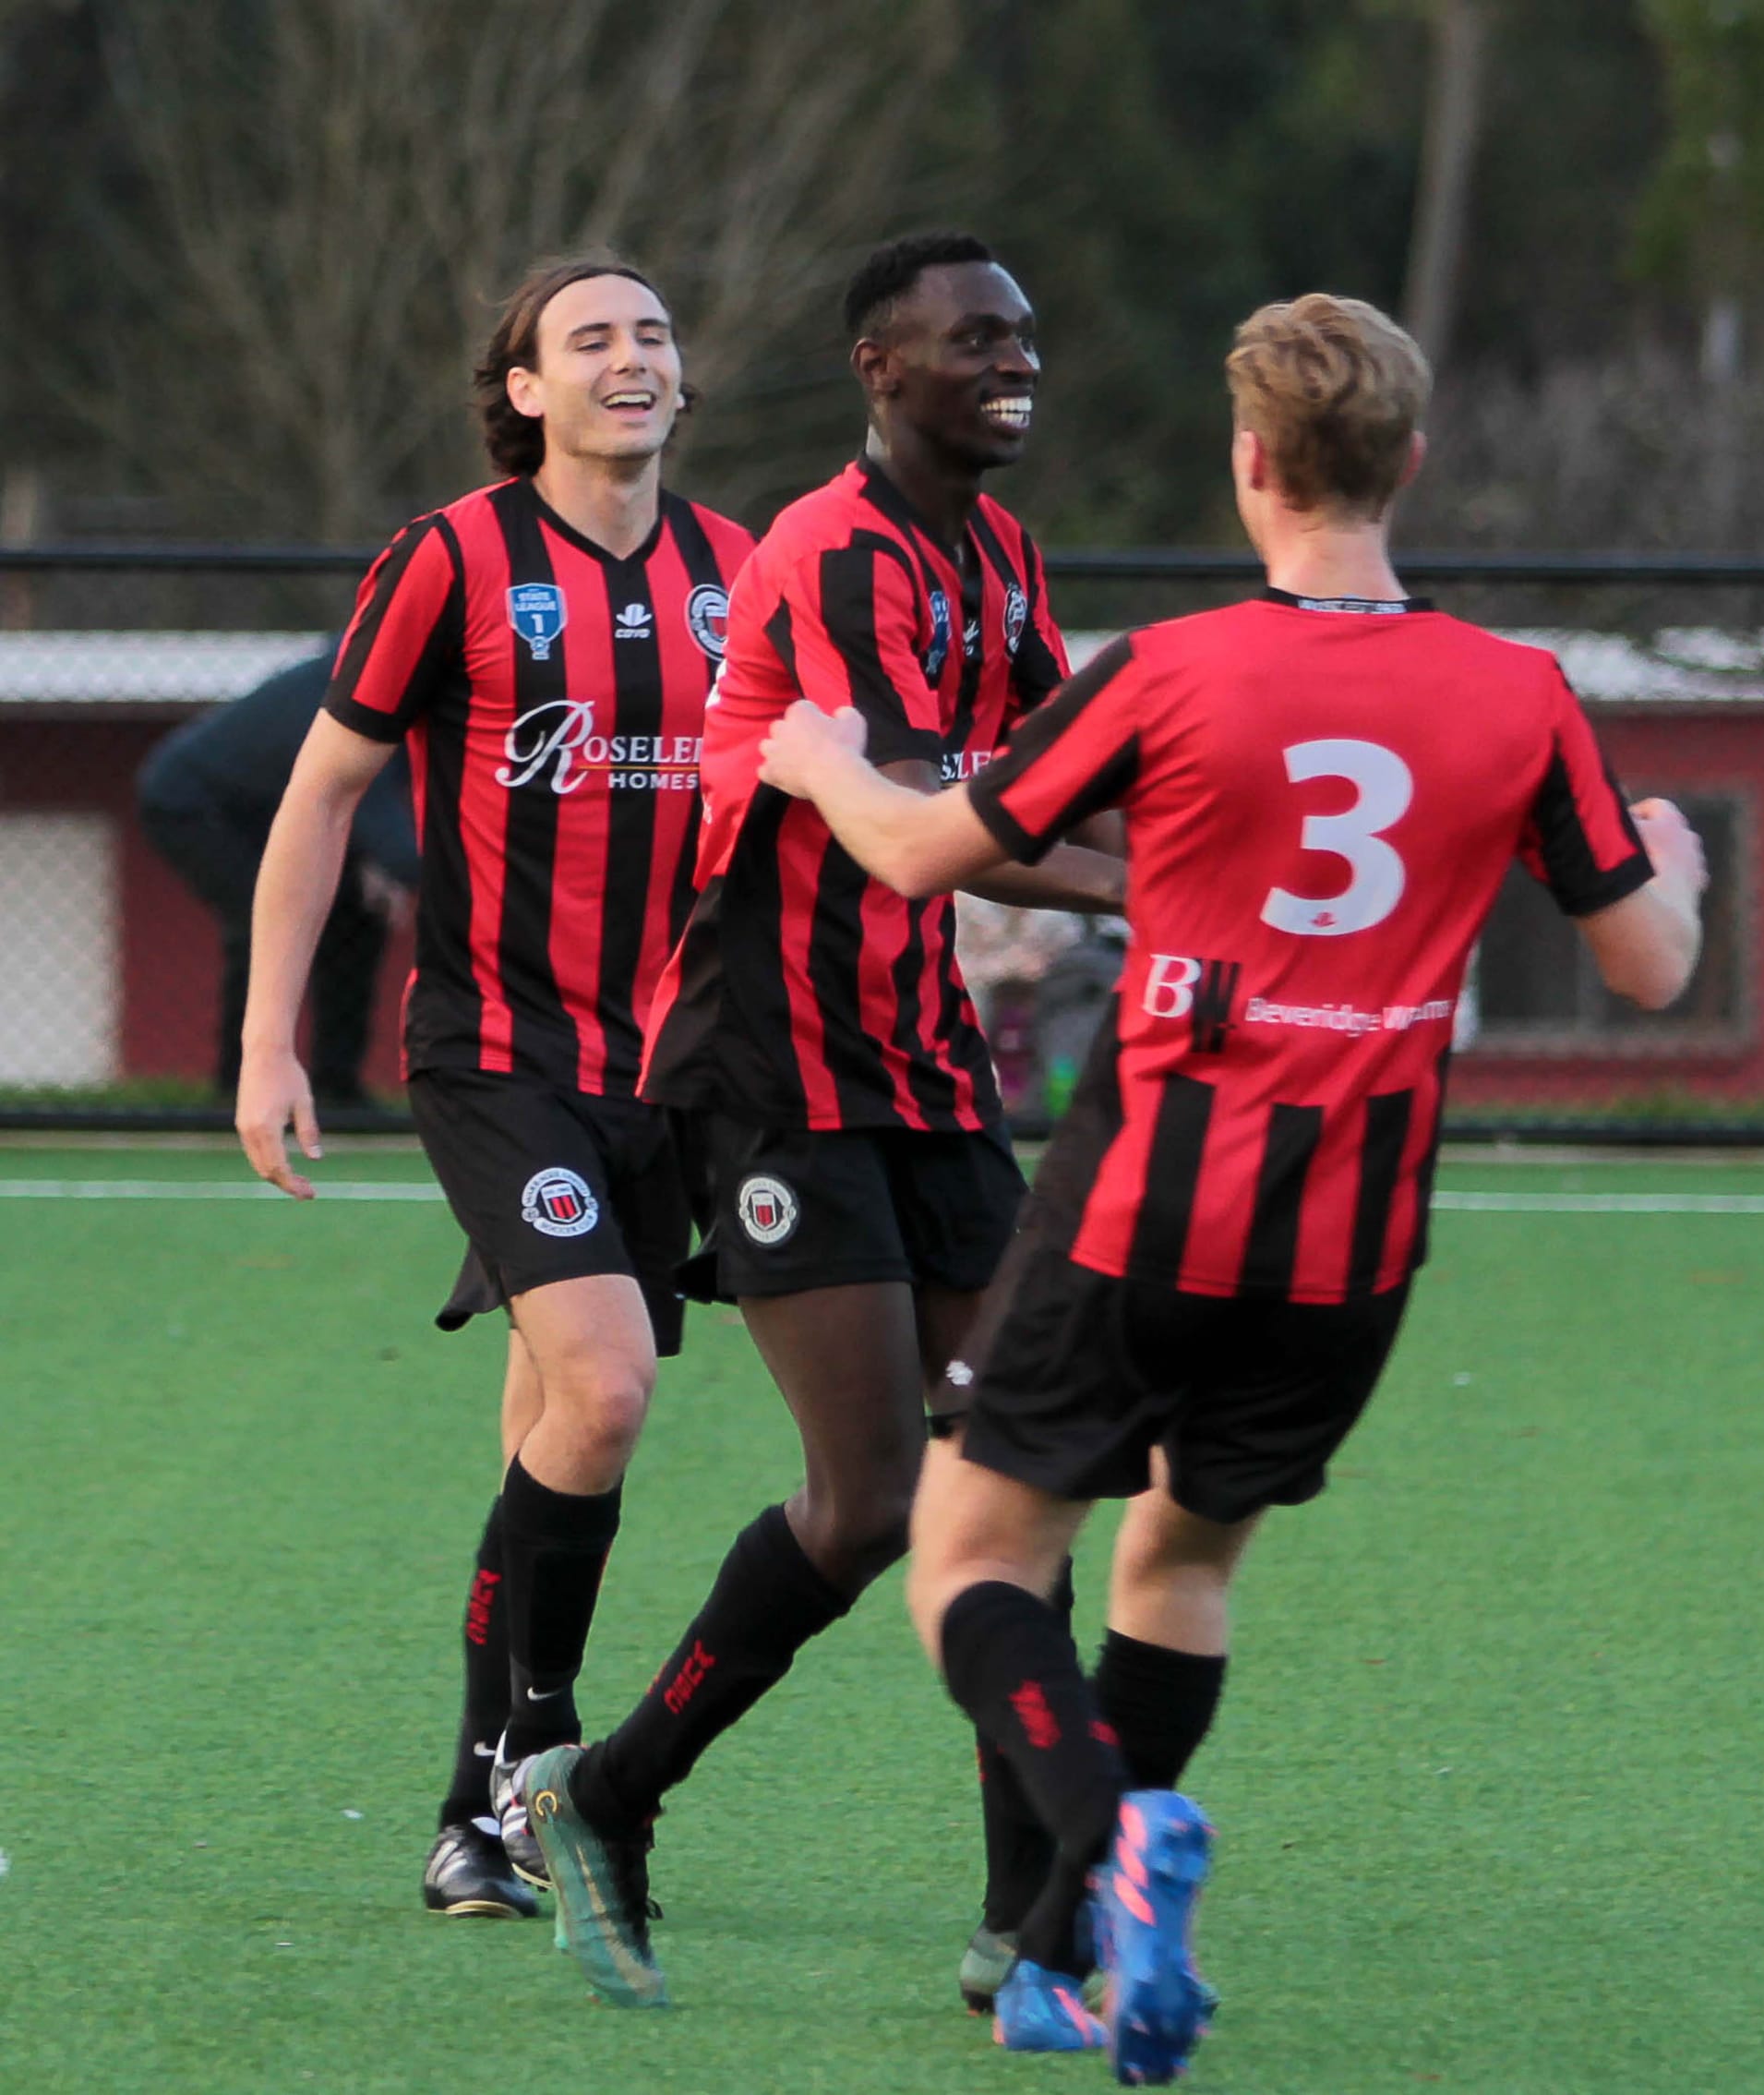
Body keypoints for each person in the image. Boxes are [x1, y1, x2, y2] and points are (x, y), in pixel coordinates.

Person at [754, 292, 1708, 2081]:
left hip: (1145, 1199)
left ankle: (1105, 1846)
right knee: (1180, 1565)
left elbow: (915, 848)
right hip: (1352, 1238)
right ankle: (1054, 1958)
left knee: (966, 1555)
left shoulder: (1172, 667)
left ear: (1248, 464)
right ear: (1409, 465)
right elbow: (1651, 966)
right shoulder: (1520, 692)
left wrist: (812, 752)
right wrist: (1674, 860)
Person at [518, 232, 1126, 2009]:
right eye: (971, 338)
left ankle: (1034, 1918)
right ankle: (608, 1796)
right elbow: (950, 816)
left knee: (1019, 1470)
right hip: (774, 1065)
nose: (1011, 361)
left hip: (924, 1057)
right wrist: (1163, 887)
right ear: (881, 366)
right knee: (869, 1500)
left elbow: (1067, 748)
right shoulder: (833, 551)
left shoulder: (994, 547)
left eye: (1022, 332)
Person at [235, 254, 754, 1921]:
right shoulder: (450, 558)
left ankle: (473, 1810)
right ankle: (545, 1733)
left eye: (653, 334)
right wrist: (267, 1037)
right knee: (604, 1390)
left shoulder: (747, 571)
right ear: (522, 388)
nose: (631, 357)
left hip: (681, 1066)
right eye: (590, 337)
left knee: (552, 1421)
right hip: (500, 1054)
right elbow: (319, 800)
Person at [138, 646, 415, 1106]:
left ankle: (337, 1089)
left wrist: (382, 863)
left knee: (358, 913)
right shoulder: (360, 680)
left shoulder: (411, 683)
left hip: (280, 813)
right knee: (267, 926)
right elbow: (374, 811)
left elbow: (362, 804)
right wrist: (411, 867)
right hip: (194, 805)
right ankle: (240, 1090)